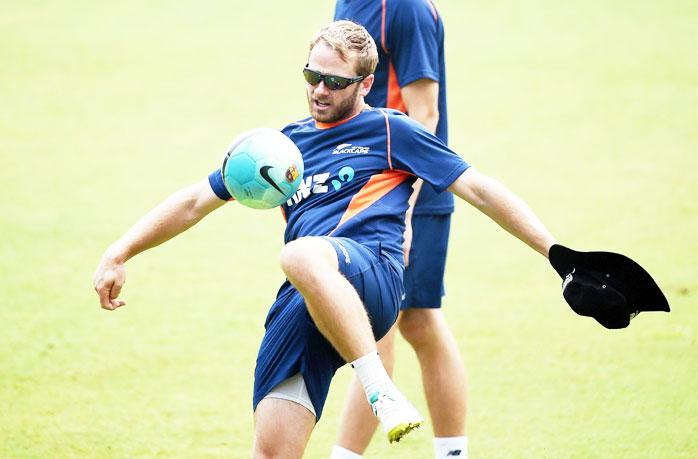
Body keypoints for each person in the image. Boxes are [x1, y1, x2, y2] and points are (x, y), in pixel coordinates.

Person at [93, 21, 557, 459]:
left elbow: (478, 188)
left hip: (372, 274)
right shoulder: (280, 147)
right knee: (272, 449)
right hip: (307, 298)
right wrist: (120, 251)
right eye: (312, 76)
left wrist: (556, 254)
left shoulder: (392, 130)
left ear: (364, 85)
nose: (319, 90)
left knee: (298, 253)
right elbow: (196, 200)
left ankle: (379, 389)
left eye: (335, 82)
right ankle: (374, 383)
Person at [332, 1, 468, 458]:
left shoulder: (403, 8)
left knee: (378, 329)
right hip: (366, 188)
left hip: (406, 195)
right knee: (418, 323)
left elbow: (424, 114)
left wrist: (401, 211)